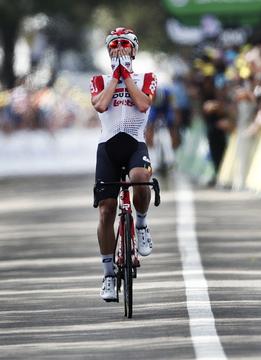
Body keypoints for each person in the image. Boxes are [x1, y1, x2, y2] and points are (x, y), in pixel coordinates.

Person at [90, 27, 157, 301]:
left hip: (134, 143)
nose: (119, 49)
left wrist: (127, 76)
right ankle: (108, 274)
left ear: (134, 50)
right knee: (106, 210)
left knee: (141, 178)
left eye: (124, 45)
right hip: (108, 147)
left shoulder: (147, 77)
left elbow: (142, 105)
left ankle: (140, 224)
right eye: (114, 46)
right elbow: (101, 106)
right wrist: (115, 77)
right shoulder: (98, 79)